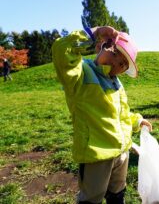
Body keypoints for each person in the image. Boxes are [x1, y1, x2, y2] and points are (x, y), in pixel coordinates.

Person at [52, 26, 152, 204]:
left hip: (121, 153)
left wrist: (138, 121)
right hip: (96, 156)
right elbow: (62, 51)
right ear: (101, 46)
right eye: (115, 54)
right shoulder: (81, 74)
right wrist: (92, 33)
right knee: (93, 197)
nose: (117, 64)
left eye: (123, 64)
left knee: (118, 192)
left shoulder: (117, 83)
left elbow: (122, 114)